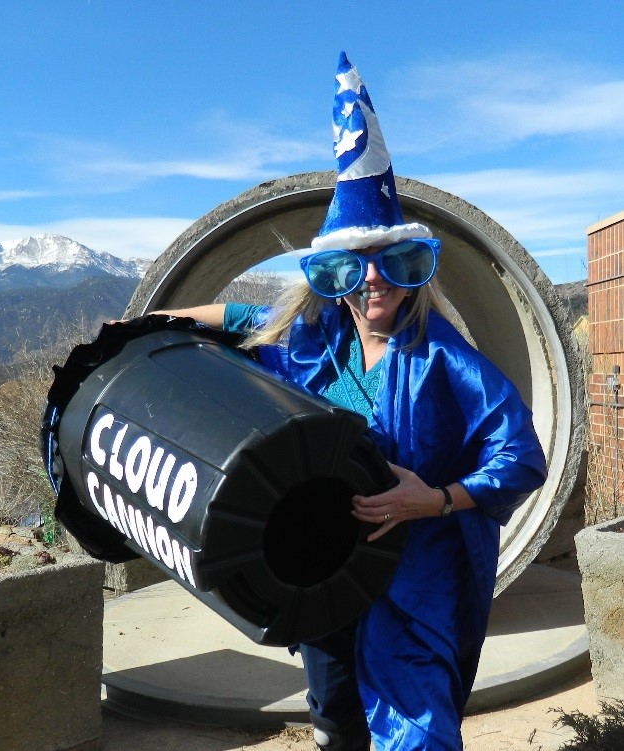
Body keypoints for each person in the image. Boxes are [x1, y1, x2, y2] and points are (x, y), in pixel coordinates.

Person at [142, 53, 547, 751]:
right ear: (326, 276)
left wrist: (438, 498)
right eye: (347, 268)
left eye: (389, 264)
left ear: (411, 269)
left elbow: (521, 455)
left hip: (413, 584)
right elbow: (245, 321)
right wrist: (153, 325)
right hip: (324, 571)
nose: (371, 284)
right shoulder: (308, 348)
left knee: (417, 729)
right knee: (334, 718)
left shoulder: (446, 360)